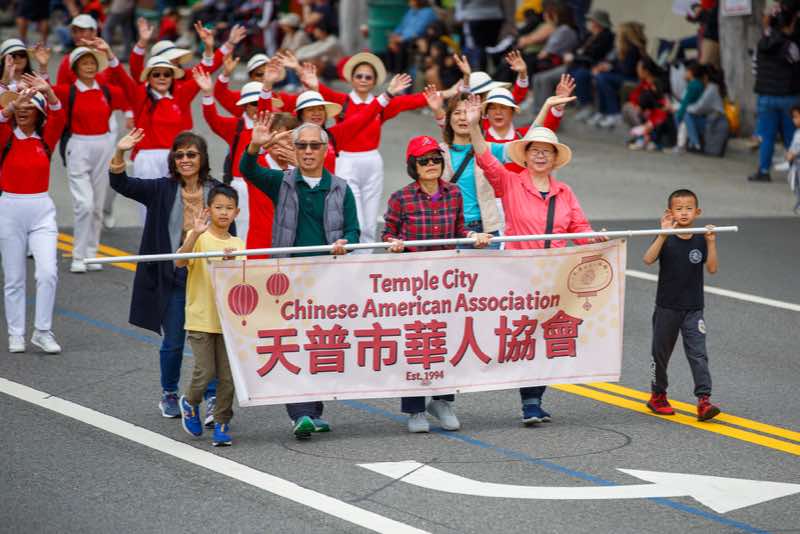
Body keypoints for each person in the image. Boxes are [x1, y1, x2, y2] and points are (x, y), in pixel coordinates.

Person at [465, 94, 606, 424]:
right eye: (535, 151)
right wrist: (473, 126)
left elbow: (579, 227)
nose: (541, 156)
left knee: (546, 337)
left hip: (555, 274)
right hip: (519, 272)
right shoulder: (510, 183)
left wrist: (595, 240)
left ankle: (533, 399)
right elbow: (485, 159)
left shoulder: (564, 192)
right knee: (525, 334)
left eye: (547, 152)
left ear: (555, 159)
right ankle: (527, 399)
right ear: (525, 156)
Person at [240, 116, 359, 440]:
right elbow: (248, 170)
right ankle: (301, 413)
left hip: (327, 279)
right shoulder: (281, 182)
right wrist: (256, 145)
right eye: (302, 145)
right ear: (294, 149)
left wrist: (345, 243)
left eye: (314, 146)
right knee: (293, 343)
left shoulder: (340, 188)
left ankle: (313, 412)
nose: (307, 151)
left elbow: (354, 230)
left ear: (325, 150)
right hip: (289, 279)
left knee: (318, 344)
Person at [110, 130, 225, 420]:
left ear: (202, 158)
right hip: (174, 277)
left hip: (208, 277)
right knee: (174, 341)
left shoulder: (217, 191)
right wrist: (121, 152)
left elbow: (228, 229)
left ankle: (212, 396)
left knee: (210, 339)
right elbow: (121, 183)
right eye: (179, 154)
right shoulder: (161, 189)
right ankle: (169, 393)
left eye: (191, 154)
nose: (185, 159)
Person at [384, 135, 492, 432]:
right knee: (416, 342)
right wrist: (393, 242)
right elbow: (388, 232)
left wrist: (473, 236)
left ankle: (442, 401)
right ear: (413, 166)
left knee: (446, 340)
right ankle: (415, 409)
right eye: (424, 161)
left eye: (435, 159)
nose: (431, 164)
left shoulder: (453, 193)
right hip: (413, 281)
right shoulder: (401, 197)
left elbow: (460, 228)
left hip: (445, 280)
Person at [316, 52, 429, 245]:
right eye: (359, 76)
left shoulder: (383, 104)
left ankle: (366, 259)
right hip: (346, 162)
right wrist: (304, 74)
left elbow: (414, 101)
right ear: (351, 79)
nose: (363, 80)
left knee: (369, 225)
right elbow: (317, 89)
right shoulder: (341, 100)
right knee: (355, 221)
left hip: (372, 162)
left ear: (375, 81)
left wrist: (451, 92)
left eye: (368, 77)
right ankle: (350, 256)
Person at [642, 189, 721, 422]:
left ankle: (704, 400)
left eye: (689, 208)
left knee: (698, 354)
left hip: (694, 309)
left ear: (698, 212)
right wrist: (663, 234)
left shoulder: (701, 237)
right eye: (679, 209)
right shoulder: (665, 237)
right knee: (660, 354)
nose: (684, 213)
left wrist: (711, 242)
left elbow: (712, 268)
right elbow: (648, 259)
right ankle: (658, 395)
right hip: (667, 307)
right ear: (670, 212)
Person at [0, 77, 66, 354]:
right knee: (14, 277)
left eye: (30, 106)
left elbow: (60, 115)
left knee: (48, 272)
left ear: (39, 113)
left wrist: (48, 91)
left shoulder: (46, 139)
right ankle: (16, 333)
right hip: (9, 208)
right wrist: (11, 104)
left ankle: (42, 331)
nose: (24, 110)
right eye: (20, 107)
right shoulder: (5, 137)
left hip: (41, 210)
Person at [177, 184, 244, 447]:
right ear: (209, 210)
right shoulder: (200, 238)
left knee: (228, 377)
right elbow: (180, 261)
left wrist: (230, 265)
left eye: (229, 208)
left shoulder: (238, 244)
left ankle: (222, 422)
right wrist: (194, 233)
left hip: (228, 321)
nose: (224, 212)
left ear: (237, 212)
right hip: (201, 317)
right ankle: (190, 402)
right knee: (206, 371)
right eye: (218, 207)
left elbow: (242, 284)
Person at [54, 46, 127, 274]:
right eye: (84, 63)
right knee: (84, 204)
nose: (89, 67)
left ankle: (91, 254)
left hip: (103, 146)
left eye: (93, 63)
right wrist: (44, 67)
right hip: (78, 146)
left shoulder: (106, 91)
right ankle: (78, 256)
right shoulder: (67, 91)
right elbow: (46, 94)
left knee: (96, 206)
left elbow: (130, 91)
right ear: (75, 68)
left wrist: (112, 58)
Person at [747, 4, 800, 182]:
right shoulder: (791, 46)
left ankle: (763, 171)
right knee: (792, 136)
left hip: (765, 97)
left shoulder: (761, 44)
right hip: (788, 97)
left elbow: (755, 69)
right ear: (790, 24)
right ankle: (796, 170)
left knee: (767, 137)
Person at [588, 21, 647, 129]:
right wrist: (605, 66)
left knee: (602, 78)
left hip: (632, 79)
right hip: (623, 76)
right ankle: (602, 112)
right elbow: (615, 64)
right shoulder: (624, 48)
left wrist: (610, 68)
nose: (617, 35)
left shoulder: (633, 49)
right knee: (600, 76)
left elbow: (627, 71)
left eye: (619, 33)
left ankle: (614, 113)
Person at [386, 0, 440, 74]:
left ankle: (399, 72)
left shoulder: (428, 12)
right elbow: (401, 26)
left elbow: (419, 30)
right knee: (390, 46)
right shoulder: (410, 11)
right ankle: (391, 72)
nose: (409, 1)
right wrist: (394, 36)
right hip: (404, 38)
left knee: (402, 46)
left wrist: (402, 38)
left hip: (417, 39)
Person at [786, 105, 800, 213]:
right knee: (795, 184)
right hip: (796, 165)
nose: (794, 120)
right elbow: (793, 146)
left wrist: (794, 153)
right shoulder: (797, 133)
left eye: (796, 117)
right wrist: (790, 153)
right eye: (793, 117)